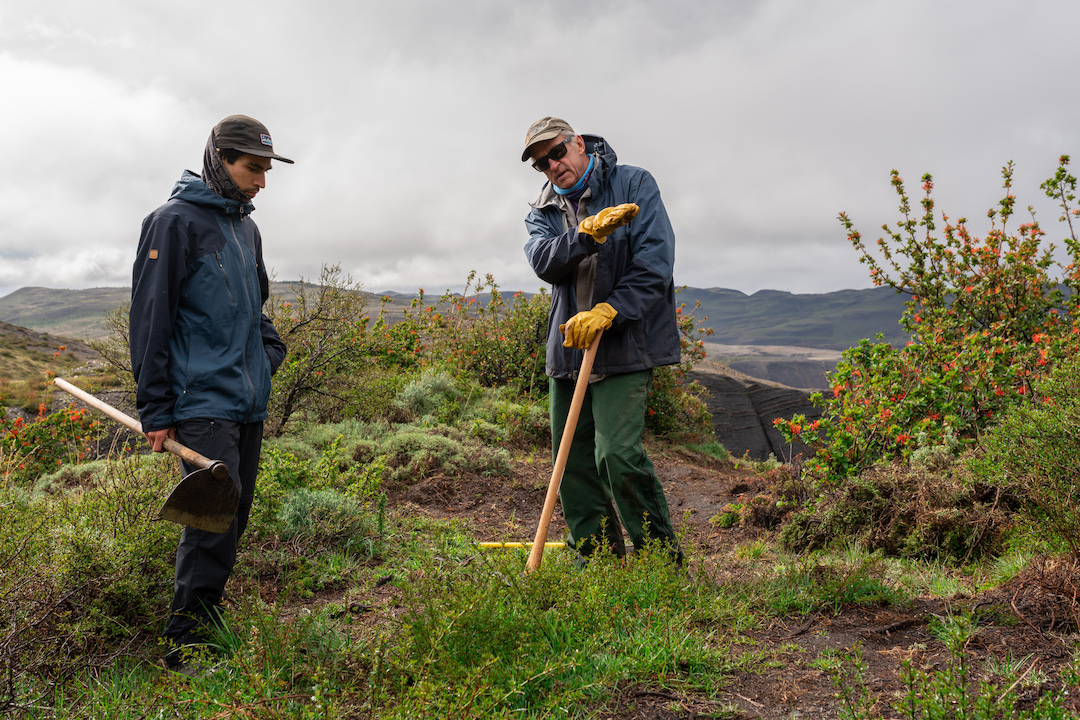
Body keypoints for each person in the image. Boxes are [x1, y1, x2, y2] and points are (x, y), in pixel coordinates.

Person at [129, 114, 291, 672]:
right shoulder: (172, 223)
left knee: (236, 513)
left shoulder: (246, 229)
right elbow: (151, 320)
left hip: (247, 401)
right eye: (253, 168)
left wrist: (269, 357)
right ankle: (185, 643)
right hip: (200, 402)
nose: (261, 182)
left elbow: (258, 309)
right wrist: (155, 409)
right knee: (210, 520)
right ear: (218, 158)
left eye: (267, 170)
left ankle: (206, 616)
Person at [521, 116, 683, 564]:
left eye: (556, 152)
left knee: (617, 455)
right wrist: (585, 235)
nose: (552, 166)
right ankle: (596, 562)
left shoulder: (634, 184)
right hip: (569, 351)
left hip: (623, 345)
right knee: (570, 466)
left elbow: (655, 262)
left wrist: (611, 310)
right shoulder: (542, 210)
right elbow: (544, 261)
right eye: (541, 163)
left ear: (578, 143)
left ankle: (660, 564)